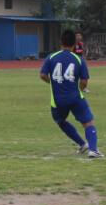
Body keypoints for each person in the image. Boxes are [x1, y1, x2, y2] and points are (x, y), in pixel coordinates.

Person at [40, 30, 102, 158]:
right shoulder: (78, 60)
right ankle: (93, 149)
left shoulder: (51, 57)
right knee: (88, 122)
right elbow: (84, 81)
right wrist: (79, 88)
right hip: (75, 97)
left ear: (60, 42)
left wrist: (53, 83)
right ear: (75, 43)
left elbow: (42, 75)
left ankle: (81, 144)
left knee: (60, 121)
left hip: (57, 100)